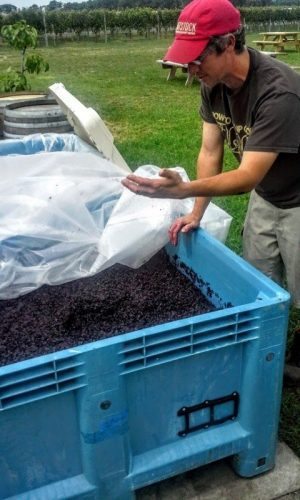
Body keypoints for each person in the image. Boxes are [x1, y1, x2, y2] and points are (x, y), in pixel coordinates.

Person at [122, 0, 300, 376]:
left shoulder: (279, 92)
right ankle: (267, 357)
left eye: (198, 57)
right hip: (267, 195)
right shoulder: (213, 84)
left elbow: (247, 174)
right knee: (259, 279)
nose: (190, 67)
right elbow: (210, 151)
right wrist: (196, 210)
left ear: (230, 43)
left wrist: (182, 190)